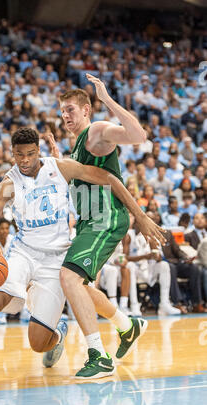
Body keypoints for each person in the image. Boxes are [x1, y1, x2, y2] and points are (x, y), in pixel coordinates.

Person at [0, 127, 164, 388]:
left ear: (38, 151)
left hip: (56, 260)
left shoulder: (60, 168)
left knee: (38, 344)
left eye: (29, 154)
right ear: (12, 154)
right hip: (23, 253)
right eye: (18, 155)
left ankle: (58, 334)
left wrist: (140, 216)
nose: (24, 160)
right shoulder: (8, 185)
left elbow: (109, 178)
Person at [55, 73, 165, 378]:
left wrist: (106, 98)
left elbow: (138, 136)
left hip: (105, 221)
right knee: (79, 286)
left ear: (86, 110)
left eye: (71, 110)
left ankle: (98, 356)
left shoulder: (97, 131)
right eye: (62, 111)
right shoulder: (77, 144)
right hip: (89, 224)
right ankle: (127, 326)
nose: (65, 116)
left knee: (68, 278)